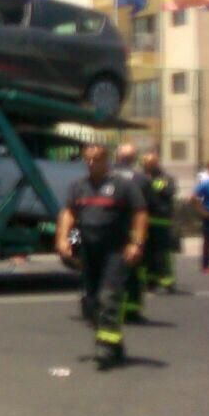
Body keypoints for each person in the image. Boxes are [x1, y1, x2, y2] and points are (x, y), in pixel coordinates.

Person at [56, 144, 148, 369]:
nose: (91, 163)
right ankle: (114, 343)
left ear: (106, 160)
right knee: (90, 302)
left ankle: (105, 347)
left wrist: (136, 243)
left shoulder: (123, 185)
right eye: (87, 159)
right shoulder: (78, 186)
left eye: (96, 159)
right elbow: (69, 214)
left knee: (109, 297)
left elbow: (140, 213)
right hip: (89, 250)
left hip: (115, 250)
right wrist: (64, 239)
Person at [112, 144, 152, 321]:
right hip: (132, 231)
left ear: (116, 157)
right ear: (134, 159)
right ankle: (131, 309)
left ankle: (101, 307)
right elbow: (148, 206)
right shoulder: (142, 179)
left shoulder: (105, 175)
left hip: (107, 229)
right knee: (133, 271)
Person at [141, 152, 179, 292]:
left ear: (157, 163)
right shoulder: (140, 177)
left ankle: (167, 279)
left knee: (163, 252)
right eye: (146, 163)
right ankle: (149, 280)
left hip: (161, 219)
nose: (148, 165)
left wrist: (152, 184)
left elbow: (169, 191)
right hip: (144, 220)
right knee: (146, 252)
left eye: (151, 163)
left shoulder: (166, 178)